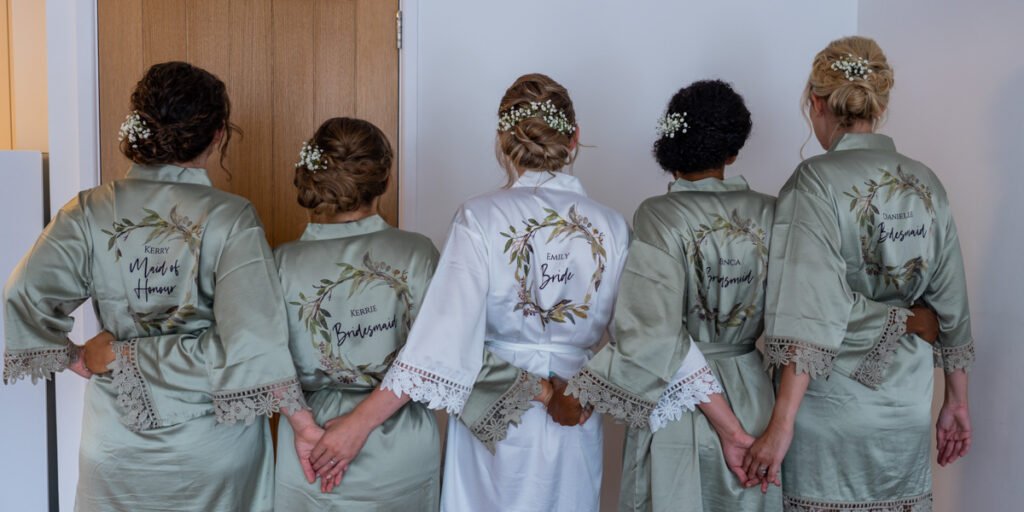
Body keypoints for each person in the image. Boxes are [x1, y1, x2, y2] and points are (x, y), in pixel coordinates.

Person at [303, 73, 631, 511]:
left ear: (502, 140)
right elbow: (640, 334)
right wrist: (579, 389)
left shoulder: (479, 217)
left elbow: (440, 339)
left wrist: (359, 425)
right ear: (574, 139)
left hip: (495, 415)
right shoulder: (612, 226)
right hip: (577, 409)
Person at [3, 61, 321, 511]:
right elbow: (254, 340)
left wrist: (86, 355)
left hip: (117, 445)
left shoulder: (89, 211)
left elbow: (21, 296)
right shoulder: (230, 218)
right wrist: (304, 424)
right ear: (217, 136)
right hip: (212, 447)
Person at [744, 36, 973, 511]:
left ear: (816, 103)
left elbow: (809, 313)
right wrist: (956, 401)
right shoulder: (925, 183)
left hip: (829, 410)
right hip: (906, 409)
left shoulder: (814, 183)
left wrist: (780, 423)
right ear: (880, 104)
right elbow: (951, 303)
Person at [567, 79, 779, 511]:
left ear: (670, 145)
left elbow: (654, 333)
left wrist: (728, 431)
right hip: (755, 394)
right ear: (734, 150)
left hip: (681, 398)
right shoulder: (773, 212)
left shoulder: (660, 215)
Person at [273, 117, 442, 510]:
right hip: (399, 440)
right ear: (384, 179)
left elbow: (262, 358)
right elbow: (438, 354)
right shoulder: (418, 253)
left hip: (310, 443)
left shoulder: (280, 262)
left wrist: (303, 426)